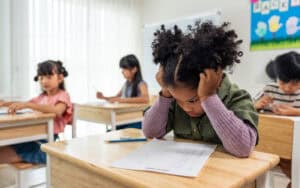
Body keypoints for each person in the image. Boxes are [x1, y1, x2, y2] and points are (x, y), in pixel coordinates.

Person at [142, 22, 258, 158]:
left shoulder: (237, 97)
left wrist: (208, 97)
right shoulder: (173, 100)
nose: (186, 108)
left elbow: (243, 148)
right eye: (178, 100)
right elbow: (151, 132)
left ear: (217, 81)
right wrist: (166, 93)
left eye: (192, 100)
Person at [0, 60, 72, 164]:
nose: (44, 81)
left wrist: (28, 105)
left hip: (45, 146)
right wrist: (4, 104)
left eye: (48, 77)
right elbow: (23, 103)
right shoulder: (41, 97)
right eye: (41, 78)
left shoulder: (63, 95)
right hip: (32, 138)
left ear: (60, 78)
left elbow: (57, 111)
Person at [255, 51, 300, 116]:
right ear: (277, 78)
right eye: (283, 82)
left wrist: (295, 111)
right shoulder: (269, 89)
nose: (287, 88)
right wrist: (256, 105)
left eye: (294, 83)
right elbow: (248, 108)